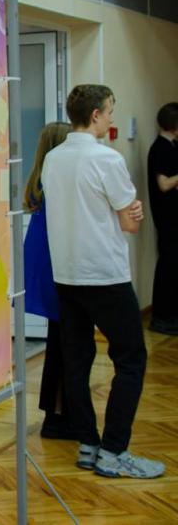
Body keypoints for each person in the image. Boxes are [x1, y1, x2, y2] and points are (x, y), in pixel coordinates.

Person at [42, 84, 163, 479]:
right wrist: (129, 214)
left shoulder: (53, 159)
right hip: (105, 276)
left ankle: (88, 445)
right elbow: (130, 223)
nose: (112, 117)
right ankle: (114, 451)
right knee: (131, 359)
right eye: (109, 111)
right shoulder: (107, 159)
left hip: (67, 275)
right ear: (95, 115)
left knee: (76, 363)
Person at [23, 121, 74, 439]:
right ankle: (57, 415)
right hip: (57, 268)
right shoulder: (55, 182)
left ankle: (57, 412)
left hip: (47, 266)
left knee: (61, 341)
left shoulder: (40, 181)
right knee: (64, 343)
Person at [147, 102, 178, 335]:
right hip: (167, 218)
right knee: (168, 265)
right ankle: (161, 317)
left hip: (174, 217)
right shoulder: (160, 148)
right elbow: (164, 184)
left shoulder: (172, 146)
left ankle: (171, 314)